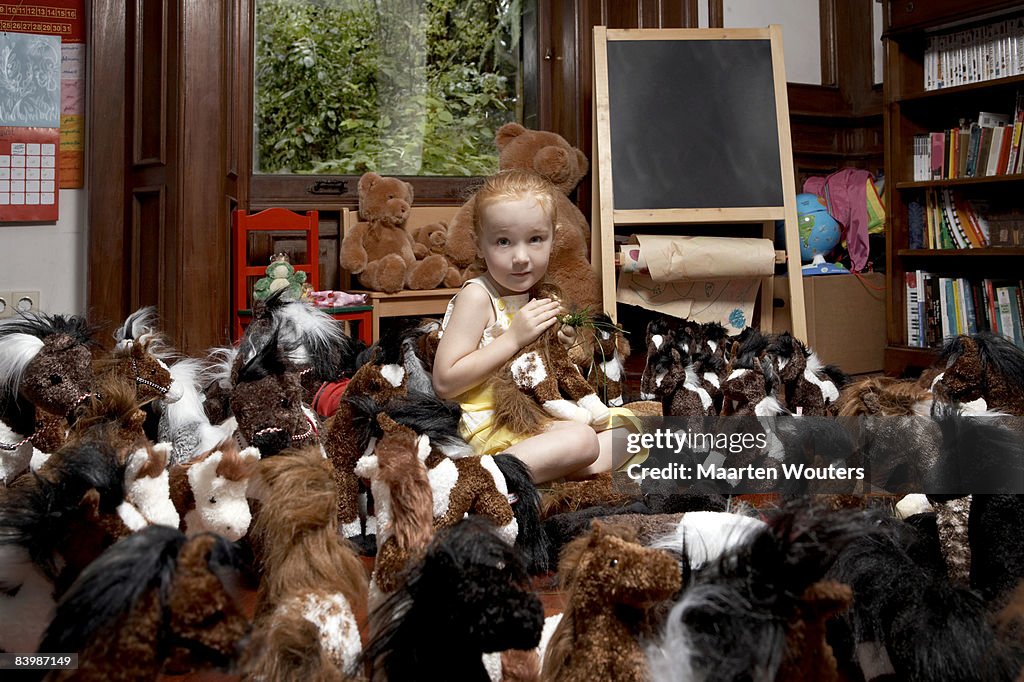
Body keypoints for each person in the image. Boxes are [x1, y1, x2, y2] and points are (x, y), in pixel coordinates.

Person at [432, 169, 639, 483]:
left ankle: (541, 476)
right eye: (503, 241)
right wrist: (513, 338)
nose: (520, 257)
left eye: (535, 240)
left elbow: (541, 373)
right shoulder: (477, 297)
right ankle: (482, 480)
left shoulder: (540, 293)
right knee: (582, 440)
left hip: (539, 414)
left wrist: (561, 347)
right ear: (479, 245)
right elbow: (445, 382)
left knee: (639, 431)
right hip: (494, 425)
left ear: (553, 239)